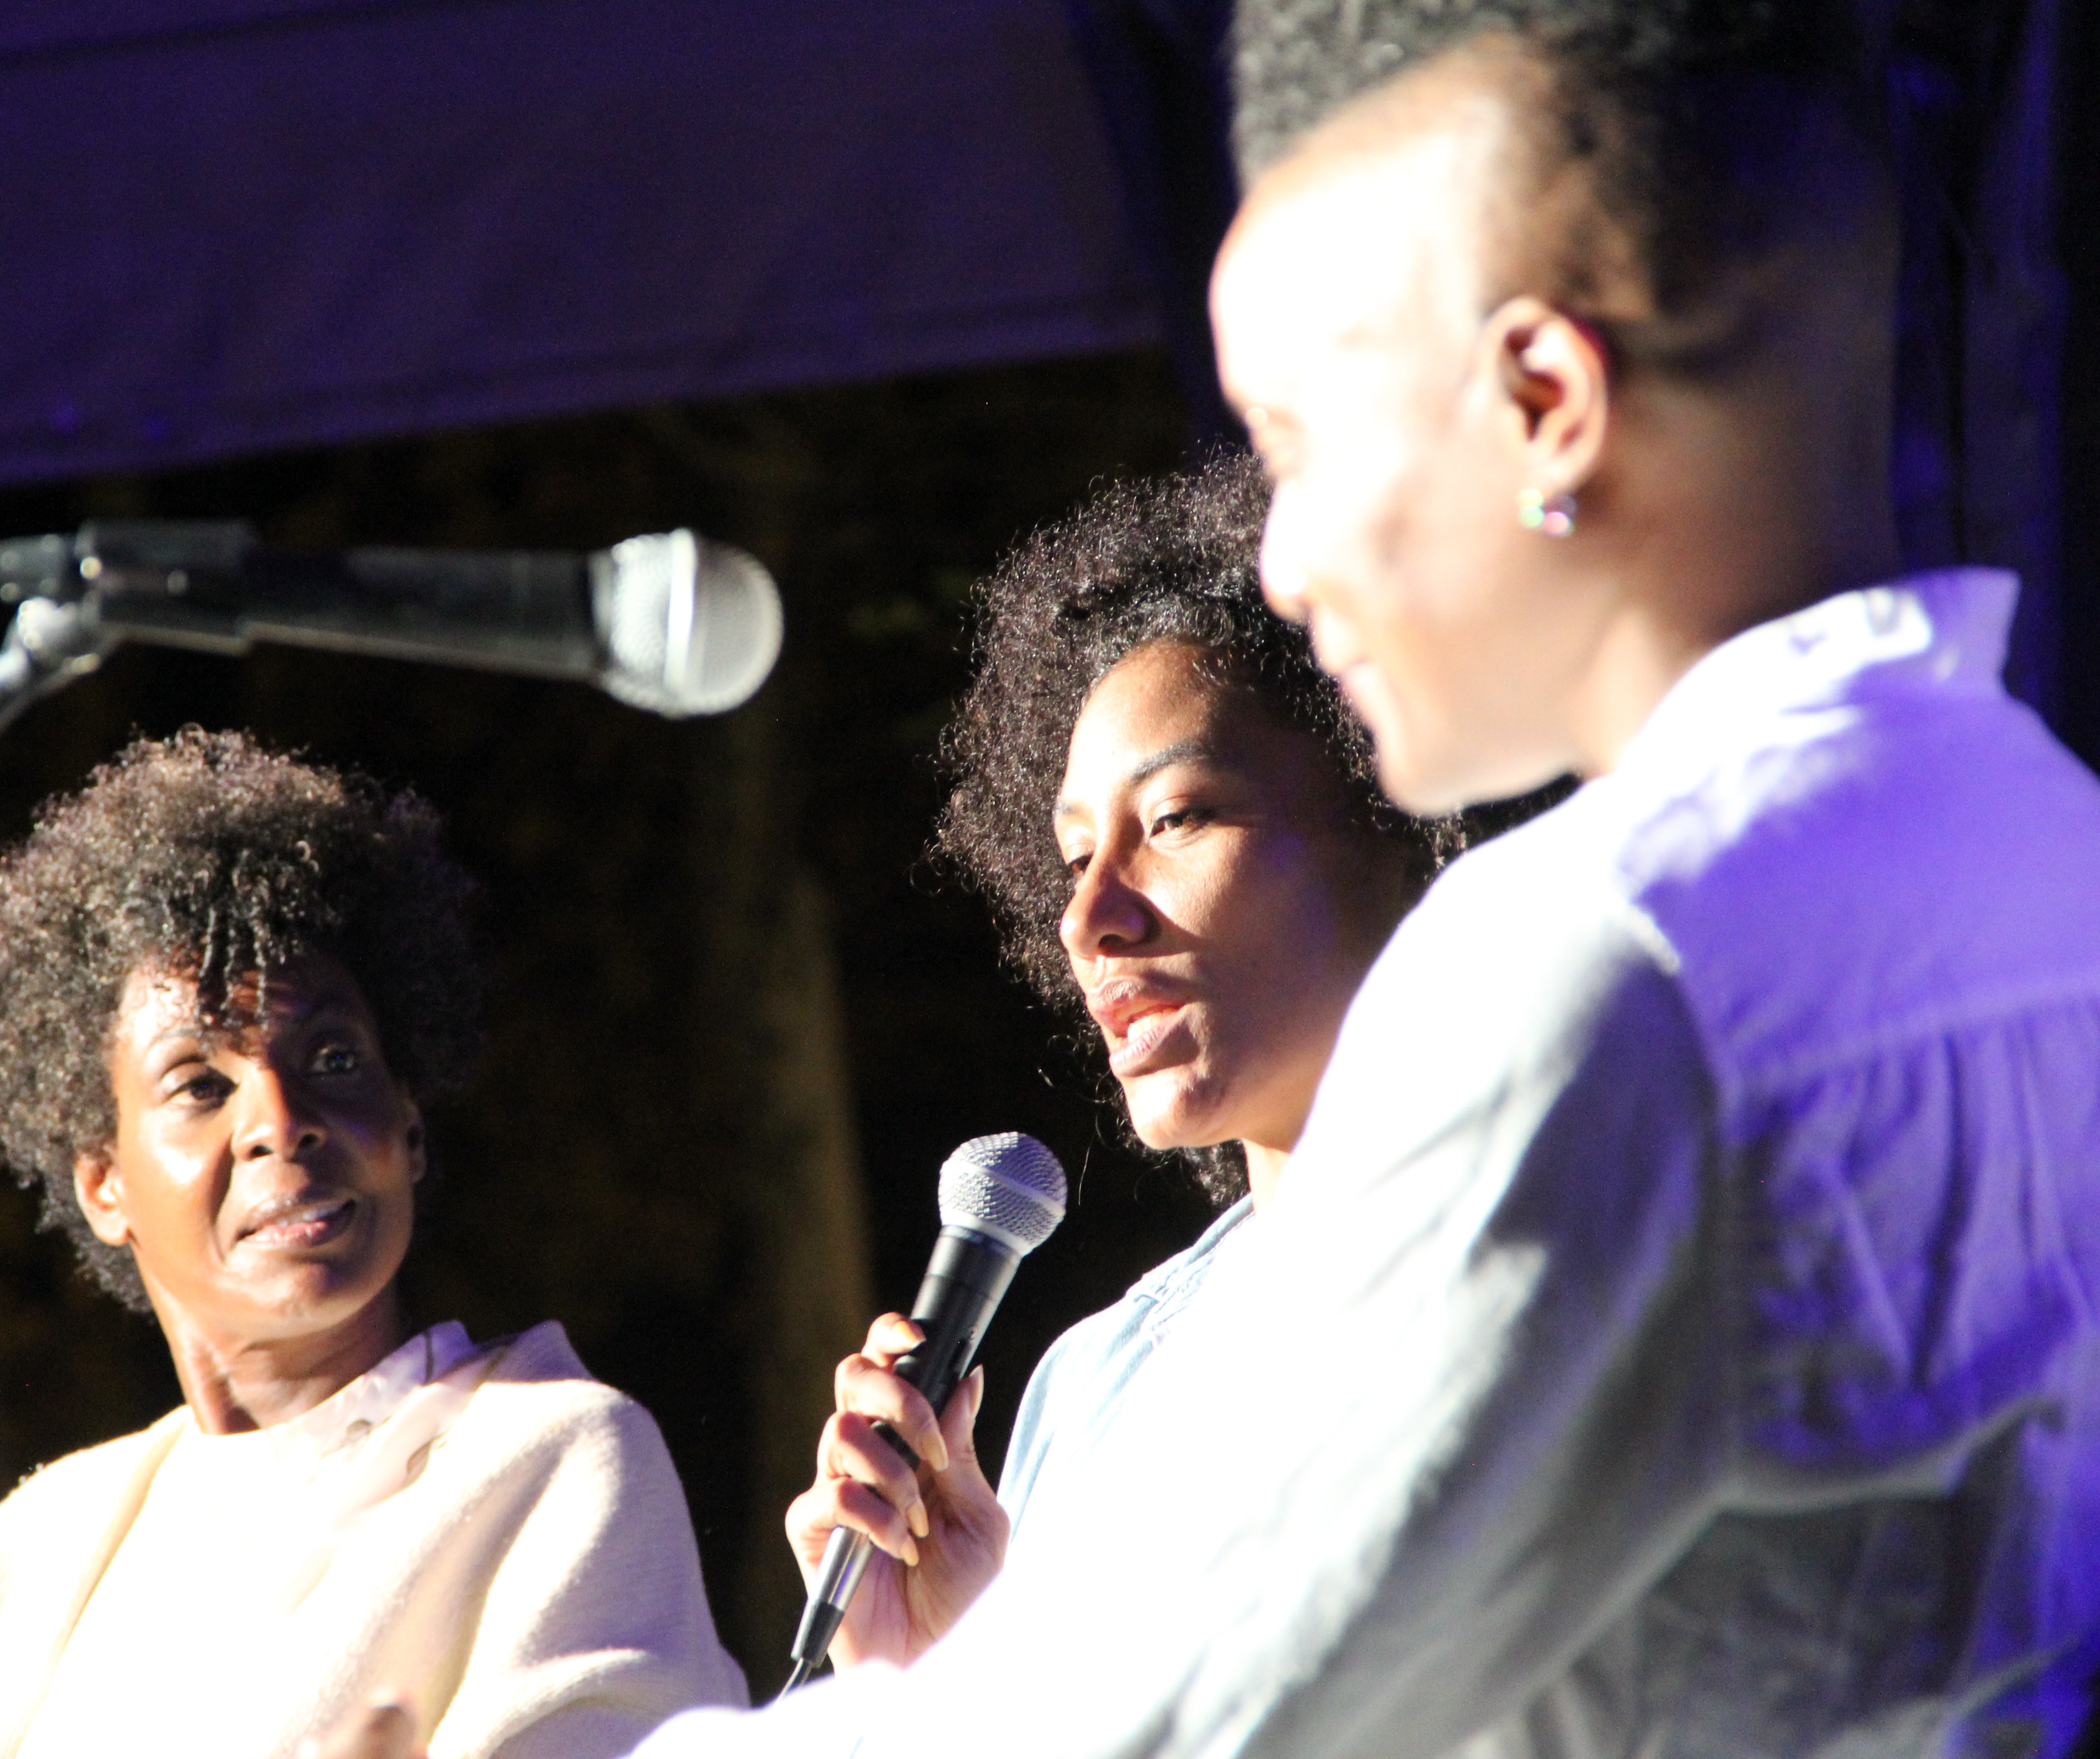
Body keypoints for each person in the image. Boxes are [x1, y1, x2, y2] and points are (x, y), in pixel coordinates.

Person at [612, 0, 2100, 1753]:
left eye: (1301, 443)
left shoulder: (1614, 963)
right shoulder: (2037, 839)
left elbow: (1155, 1723)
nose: (1290, 564)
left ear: (1542, 401)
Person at [0, 728, 745, 1759]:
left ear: (408, 1128)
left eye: (334, 1057)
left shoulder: (550, 1464)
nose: (280, 1118)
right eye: (200, 1084)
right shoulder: (32, 1557)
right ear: (105, 1183)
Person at [779, 450, 1455, 1670]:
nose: (1090, 918)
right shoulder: (1097, 1386)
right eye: (1072, 855)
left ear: (1403, 811)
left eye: (1178, 818)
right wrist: (941, 1677)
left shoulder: (1574, 1241)